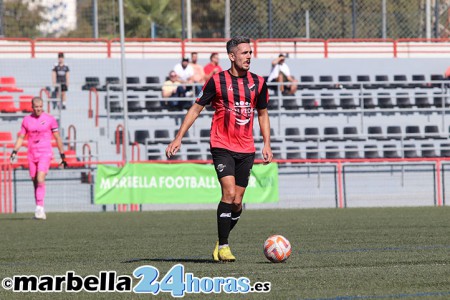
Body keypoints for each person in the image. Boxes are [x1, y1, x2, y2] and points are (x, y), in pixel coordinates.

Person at [165, 36, 273, 262]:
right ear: (232, 56)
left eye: (250, 53)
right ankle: (224, 246)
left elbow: (262, 114)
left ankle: (221, 239)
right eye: (244, 53)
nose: (249, 56)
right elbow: (196, 109)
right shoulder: (217, 81)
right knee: (229, 193)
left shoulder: (259, 83)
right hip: (221, 144)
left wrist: (267, 143)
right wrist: (178, 138)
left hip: (246, 147)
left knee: (237, 202)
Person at [10, 97, 67, 220]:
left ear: (43, 106)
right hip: (31, 154)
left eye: (40, 106)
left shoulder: (50, 119)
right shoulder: (26, 120)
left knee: (40, 177)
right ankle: (39, 208)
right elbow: (21, 137)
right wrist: (14, 151)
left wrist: (62, 155)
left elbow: (57, 138)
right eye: (36, 107)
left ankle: (39, 207)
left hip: (45, 153)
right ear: (32, 107)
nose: (38, 109)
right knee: (34, 180)